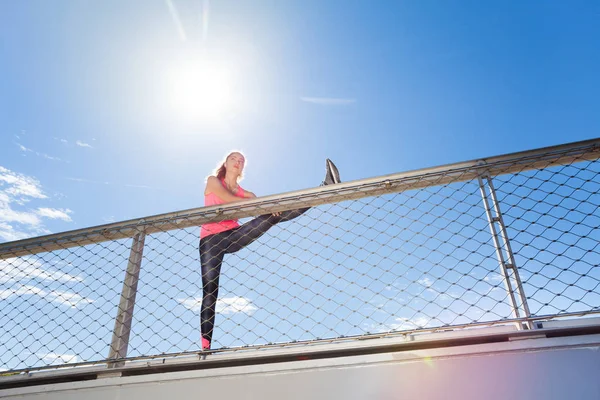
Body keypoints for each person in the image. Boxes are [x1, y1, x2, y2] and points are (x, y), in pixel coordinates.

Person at [199, 151, 341, 350]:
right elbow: (227, 198)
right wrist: (256, 205)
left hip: (233, 236)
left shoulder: (246, 193)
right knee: (210, 290)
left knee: (272, 216)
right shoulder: (213, 181)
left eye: (241, 160)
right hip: (210, 241)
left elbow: (260, 207)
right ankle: (205, 347)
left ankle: (325, 188)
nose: (237, 162)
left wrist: (267, 210)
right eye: (234, 158)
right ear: (226, 162)